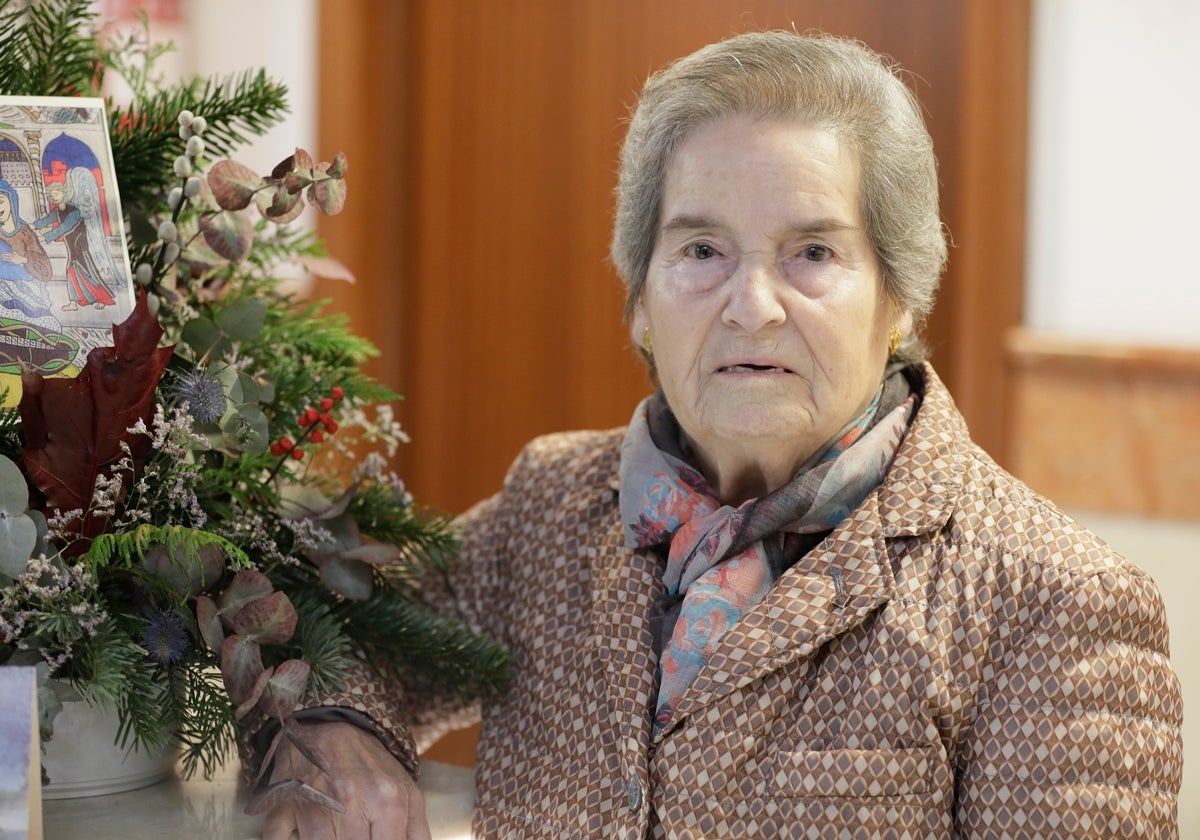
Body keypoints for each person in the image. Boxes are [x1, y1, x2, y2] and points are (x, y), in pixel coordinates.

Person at [260, 31, 1183, 838]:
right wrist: (343, 732)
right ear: (640, 302)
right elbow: (348, 639)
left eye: (813, 253)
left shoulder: (1050, 602)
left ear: (898, 298)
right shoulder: (551, 503)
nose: (751, 307)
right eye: (702, 249)